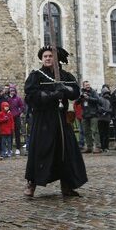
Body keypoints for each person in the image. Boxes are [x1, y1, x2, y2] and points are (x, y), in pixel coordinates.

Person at [23, 46, 87, 198]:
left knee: (66, 151)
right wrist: (51, 95)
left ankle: (67, 185)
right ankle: (32, 184)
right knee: (40, 151)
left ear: (56, 58)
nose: (47, 58)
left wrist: (64, 89)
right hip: (43, 119)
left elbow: (76, 93)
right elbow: (30, 95)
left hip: (61, 119)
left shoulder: (65, 75)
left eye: (50, 56)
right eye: (45, 56)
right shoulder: (36, 76)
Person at [79, 81, 101, 154]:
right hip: (85, 115)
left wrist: (88, 98)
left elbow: (98, 100)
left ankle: (98, 147)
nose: (88, 86)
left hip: (93, 114)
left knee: (95, 131)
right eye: (86, 85)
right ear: (83, 86)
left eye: (88, 84)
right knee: (86, 132)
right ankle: (89, 147)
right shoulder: (81, 92)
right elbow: (76, 102)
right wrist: (80, 98)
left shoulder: (93, 92)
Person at [6, 85, 25, 155]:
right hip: (9, 118)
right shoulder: (7, 98)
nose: (12, 92)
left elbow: (22, 106)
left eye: (13, 90)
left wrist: (19, 112)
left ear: (15, 91)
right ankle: (9, 149)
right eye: (11, 91)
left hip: (16, 117)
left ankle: (18, 148)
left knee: (17, 133)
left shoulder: (18, 98)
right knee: (10, 133)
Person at [97, 85, 112, 152]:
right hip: (101, 118)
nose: (107, 94)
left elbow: (111, 108)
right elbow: (98, 107)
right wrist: (103, 111)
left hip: (107, 118)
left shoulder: (110, 100)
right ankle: (103, 147)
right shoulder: (100, 99)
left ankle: (106, 147)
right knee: (102, 133)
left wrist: (107, 111)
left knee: (106, 134)